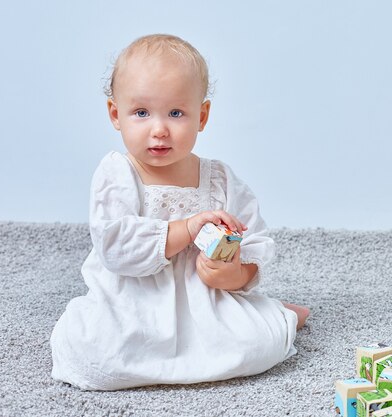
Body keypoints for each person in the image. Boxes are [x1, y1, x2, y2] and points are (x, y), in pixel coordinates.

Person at [50, 34, 309, 391]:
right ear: (116, 114)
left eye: (176, 113)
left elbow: (254, 244)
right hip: (136, 300)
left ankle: (274, 315)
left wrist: (230, 274)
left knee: (257, 345)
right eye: (141, 113)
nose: (159, 129)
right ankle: (272, 315)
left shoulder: (219, 179)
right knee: (97, 357)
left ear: (201, 116)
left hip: (204, 300)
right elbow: (116, 247)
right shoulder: (117, 174)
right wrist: (187, 228)